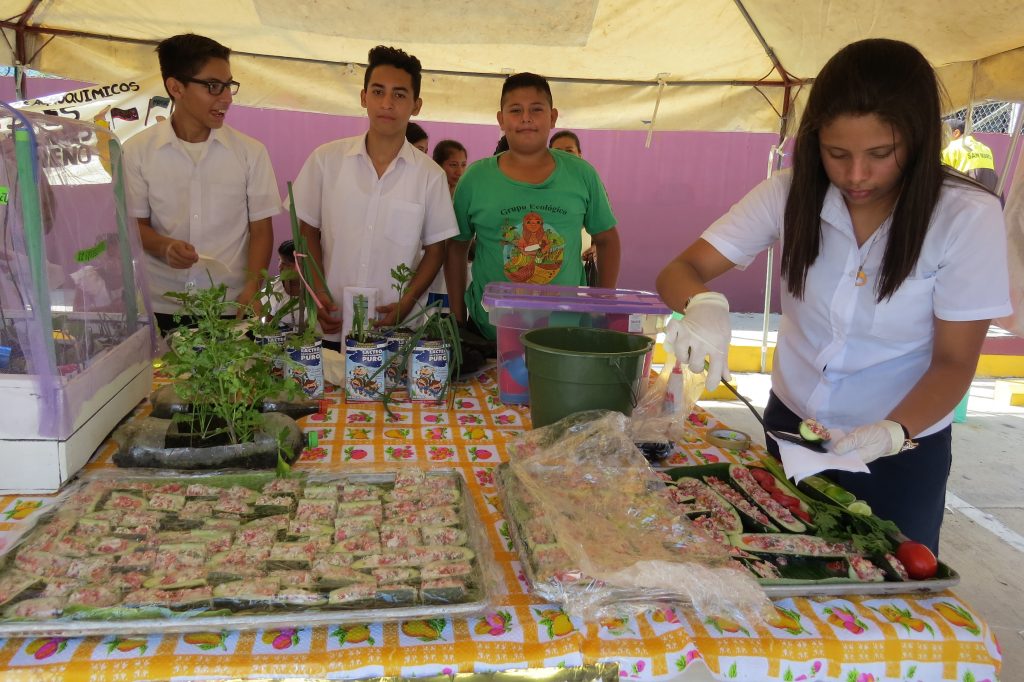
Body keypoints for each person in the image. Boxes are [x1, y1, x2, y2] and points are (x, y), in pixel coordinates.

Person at [656, 38, 1010, 555]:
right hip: (792, 427)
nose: (855, 175)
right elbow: (680, 270)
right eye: (836, 153)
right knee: (776, 565)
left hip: (900, 447)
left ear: (917, 139)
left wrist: (894, 430)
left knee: (888, 582)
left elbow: (954, 362)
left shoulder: (964, 216)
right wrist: (703, 304)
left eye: (880, 154)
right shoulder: (788, 192)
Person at [290, 45, 458, 350]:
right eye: (378, 91)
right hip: (331, 321)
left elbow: (436, 250)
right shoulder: (326, 160)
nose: (387, 103)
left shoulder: (430, 175)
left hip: (395, 328)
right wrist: (318, 293)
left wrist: (407, 302)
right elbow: (307, 231)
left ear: (416, 105)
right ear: (363, 96)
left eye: (399, 95)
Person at [445, 72, 621, 342]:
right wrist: (457, 320)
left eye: (536, 109)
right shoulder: (475, 178)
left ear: (552, 117)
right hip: (490, 337)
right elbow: (456, 248)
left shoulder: (582, 174)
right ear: (501, 119)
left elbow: (608, 240)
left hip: (564, 334)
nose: (526, 118)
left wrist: (603, 309)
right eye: (515, 110)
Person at [122, 33, 279, 334]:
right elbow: (134, 227)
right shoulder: (137, 152)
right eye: (213, 86)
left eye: (229, 85)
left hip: (229, 305)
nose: (227, 98)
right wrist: (165, 246)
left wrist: (253, 288)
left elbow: (261, 230)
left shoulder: (250, 153)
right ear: (176, 87)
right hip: (162, 306)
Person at [549, 130, 598, 285]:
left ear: (580, 155)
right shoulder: (540, 184)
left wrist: (595, 246)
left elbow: (603, 229)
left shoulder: (590, 185)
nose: (564, 156)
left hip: (575, 270)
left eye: (569, 151)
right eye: (558, 151)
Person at [941, 118, 998, 193]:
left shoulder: (950, 147)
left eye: (944, 134)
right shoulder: (985, 147)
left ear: (956, 133)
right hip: (991, 185)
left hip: (967, 185)